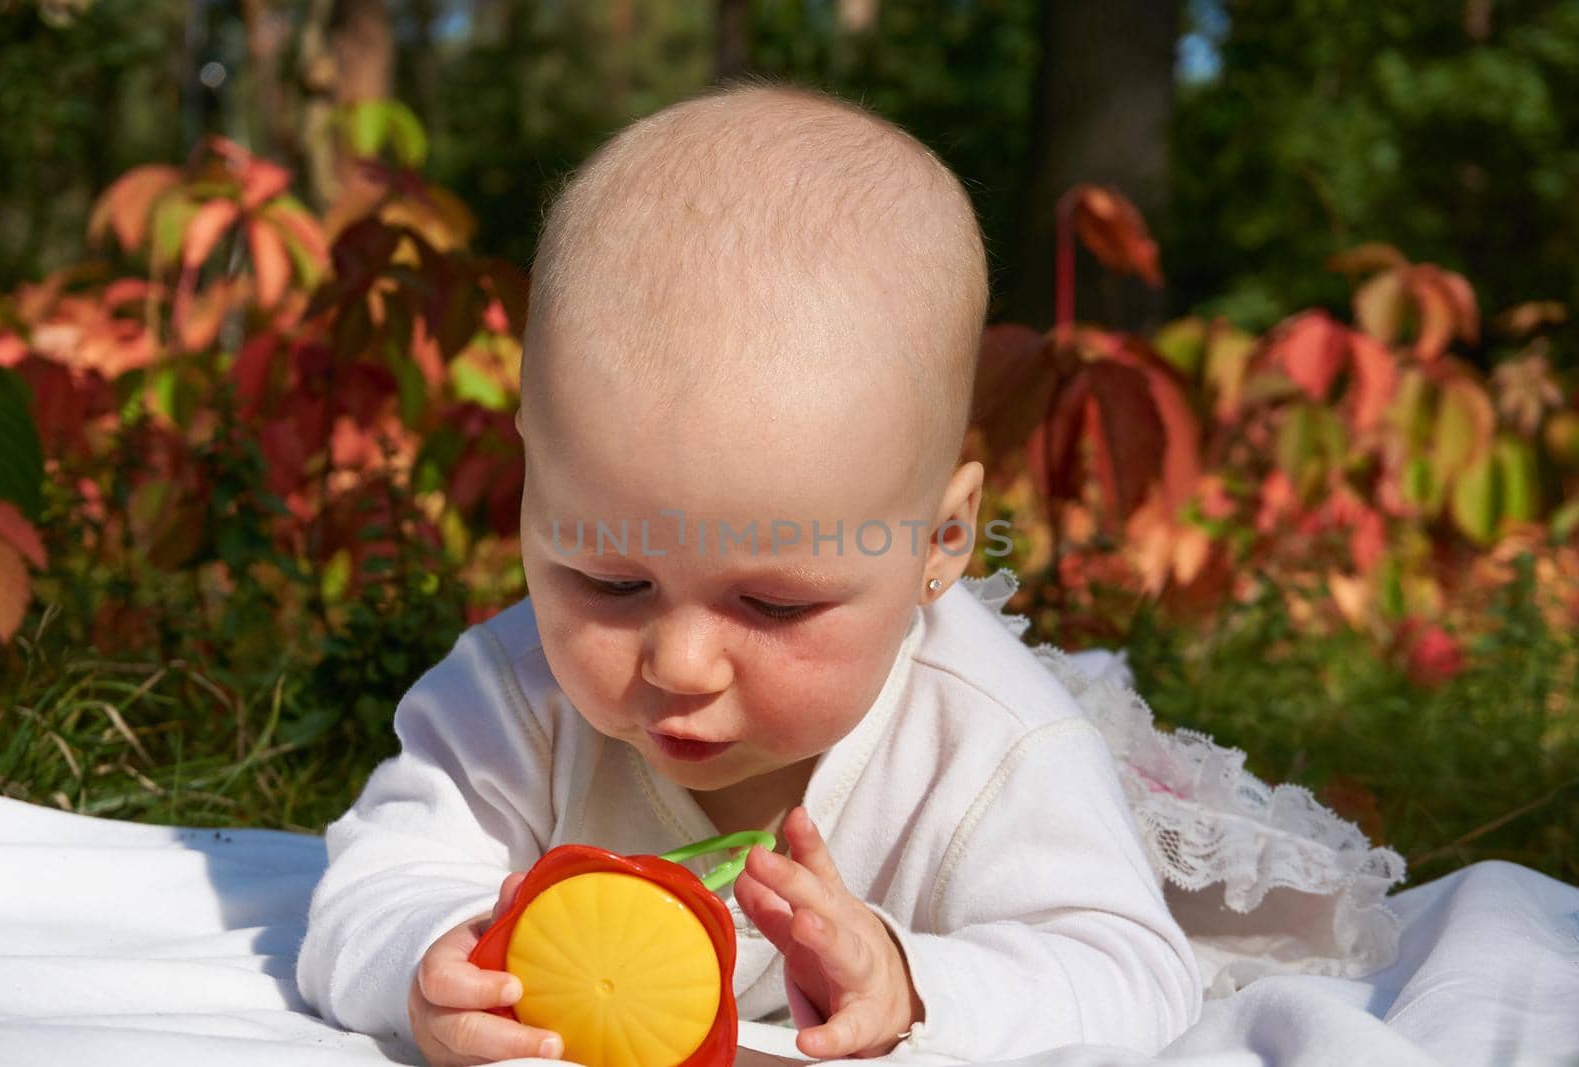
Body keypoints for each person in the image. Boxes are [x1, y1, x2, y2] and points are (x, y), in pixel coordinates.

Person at [295, 81, 1203, 1067]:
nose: (679, 663)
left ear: (940, 543)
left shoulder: (987, 740)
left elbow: (1131, 970)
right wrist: (435, 954)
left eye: (773, 601)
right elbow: (373, 877)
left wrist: (911, 981)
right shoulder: (511, 697)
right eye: (608, 579)